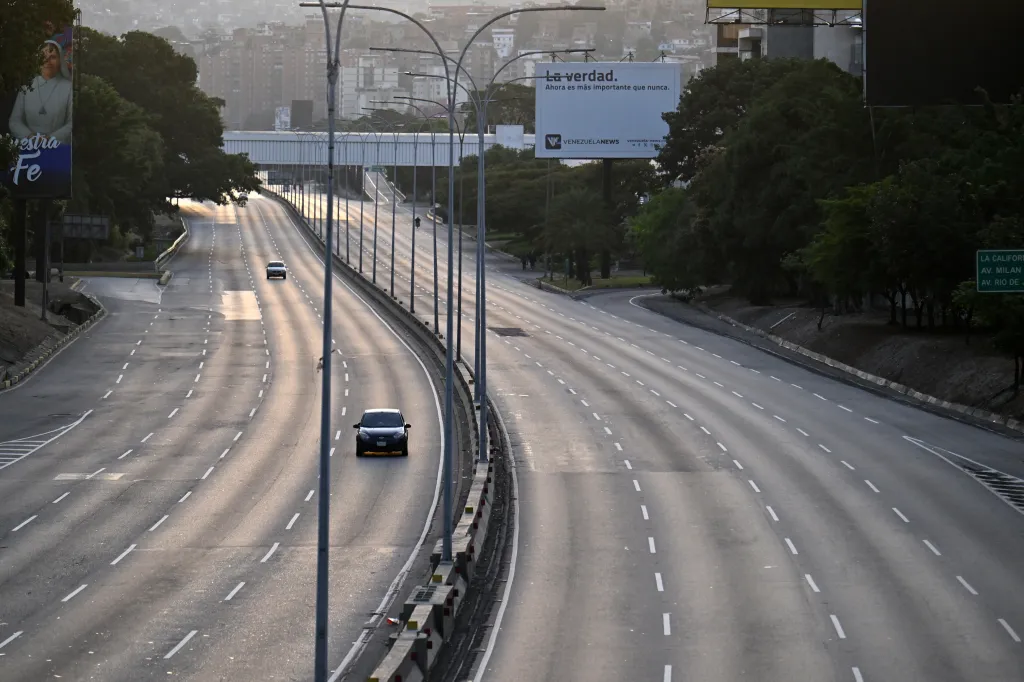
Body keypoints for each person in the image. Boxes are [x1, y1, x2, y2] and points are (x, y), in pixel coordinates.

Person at [8, 36, 73, 144]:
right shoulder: (26, 86)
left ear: (59, 61)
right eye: (43, 56)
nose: (47, 61)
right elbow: (15, 121)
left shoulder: (69, 88)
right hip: (28, 148)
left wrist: (50, 139)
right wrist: (30, 136)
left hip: (58, 147)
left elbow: (72, 123)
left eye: (52, 57)